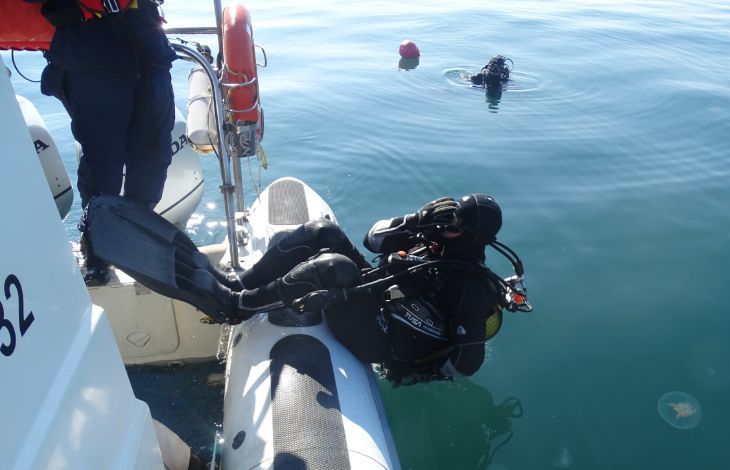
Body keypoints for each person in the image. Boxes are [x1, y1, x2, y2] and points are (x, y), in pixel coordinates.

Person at [227, 194, 526, 385]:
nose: (445, 224)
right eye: (449, 215)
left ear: (470, 235)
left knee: (335, 268)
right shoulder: (432, 238)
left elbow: (469, 362)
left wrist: (420, 374)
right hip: (379, 296)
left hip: (381, 338)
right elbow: (372, 240)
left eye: (455, 222)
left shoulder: (469, 287)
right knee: (322, 230)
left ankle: (239, 305)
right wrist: (416, 220)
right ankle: (241, 283)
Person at [34, 0, 177, 285]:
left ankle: (136, 237)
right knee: (103, 163)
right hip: (89, 53)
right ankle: (97, 249)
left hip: (147, 47)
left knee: (153, 154)